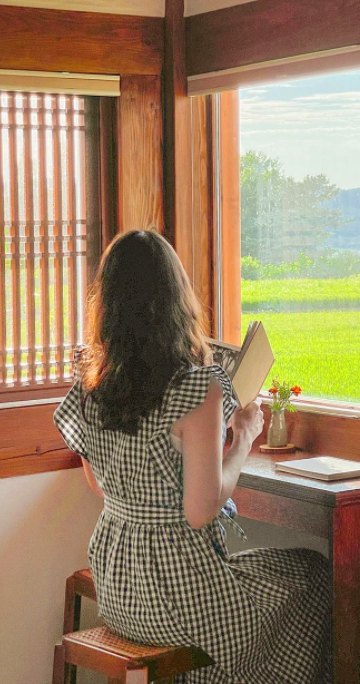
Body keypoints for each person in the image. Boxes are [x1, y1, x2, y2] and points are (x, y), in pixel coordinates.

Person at [54, 230, 332, 684]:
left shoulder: (93, 383)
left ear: (107, 304)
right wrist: (242, 438)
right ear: (174, 299)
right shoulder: (195, 387)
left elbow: (97, 484)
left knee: (258, 579)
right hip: (177, 599)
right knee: (312, 574)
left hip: (119, 591)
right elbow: (201, 513)